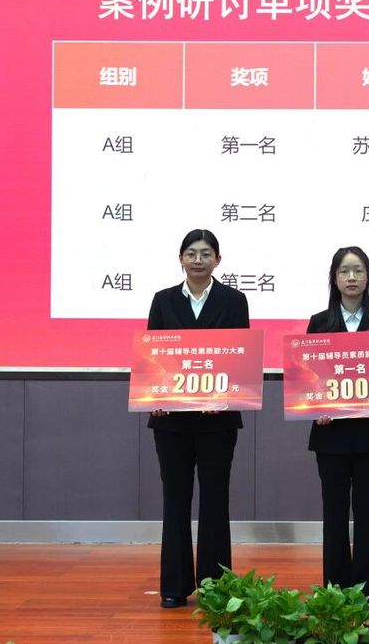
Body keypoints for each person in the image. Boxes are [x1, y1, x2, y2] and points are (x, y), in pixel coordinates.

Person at [147, 228, 249, 609]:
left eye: (206, 253)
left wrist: (223, 398)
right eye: (191, 253)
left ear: (218, 260)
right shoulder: (163, 301)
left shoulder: (234, 301)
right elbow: (153, 359)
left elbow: (240, 356)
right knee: (175, 500)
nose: (198, 260)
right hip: (171, 421)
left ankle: (214, 587)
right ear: (181, 259)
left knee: (215, 501)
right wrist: (155, 397)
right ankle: (174, 586)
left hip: (217, 421)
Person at [305, 246, 369, 602]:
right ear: (334, 278)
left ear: (368, 276)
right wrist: (316, 407)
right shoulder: (319, 323)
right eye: (344, 271)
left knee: (367, 513)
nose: (352, 277)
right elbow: (310, 380)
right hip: (331, 434)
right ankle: (335, 591)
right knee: (333, 514)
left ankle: (366, 593)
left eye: (358, 270)